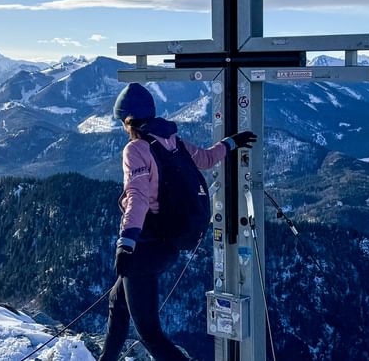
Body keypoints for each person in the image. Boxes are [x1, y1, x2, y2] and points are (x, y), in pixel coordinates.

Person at [99, 83, 257, 361]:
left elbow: (137, 197)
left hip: (145, 249)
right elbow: (207, 159)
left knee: (150, 334)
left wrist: (126, 243)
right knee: (117, 302)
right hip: (170, 244)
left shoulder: (135, 149)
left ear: (128, 119)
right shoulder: (174, 142)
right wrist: (232, 142)